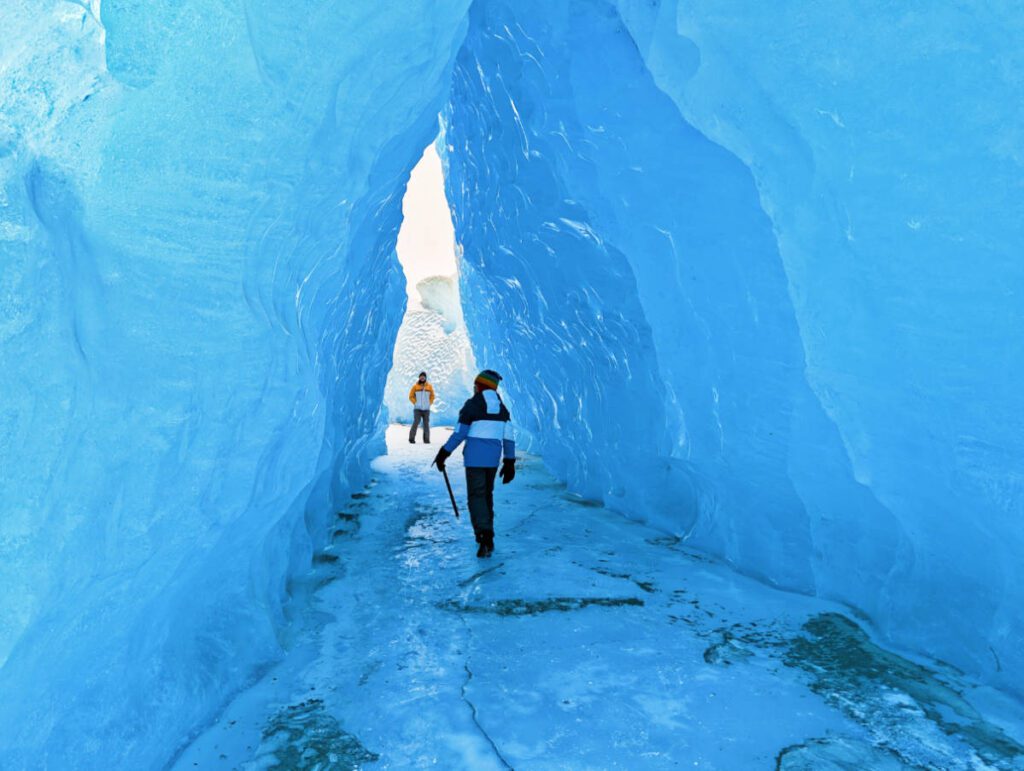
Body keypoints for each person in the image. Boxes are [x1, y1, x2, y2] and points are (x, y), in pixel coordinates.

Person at [433, 369, 515, 558]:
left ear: (480, 386)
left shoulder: (472, 405)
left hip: (474, 460)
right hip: (493, 461)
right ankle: (488, 534)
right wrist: (509, 460)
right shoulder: (502, 409)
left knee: (476, 496)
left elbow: (460, 433)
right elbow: (509, 437)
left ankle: (484, 535)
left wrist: (444, 453)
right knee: (486, 495)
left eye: (475, 385)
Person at [408, 371, 435, 444]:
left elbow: (432, 396)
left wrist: (430, 403)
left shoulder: (429, 386)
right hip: (417, 409)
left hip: (426, 409)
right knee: (416, 422)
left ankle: (426, 440)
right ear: (419, 378)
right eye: (421, 376)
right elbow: (411, 396)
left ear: (425, 378)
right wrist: (415, 402)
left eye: (423, 377)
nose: (422, 378)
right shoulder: (415, 386)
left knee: (426, 424)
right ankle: (411, 438)